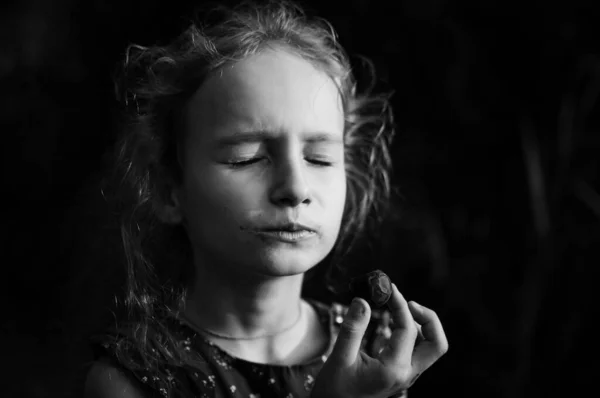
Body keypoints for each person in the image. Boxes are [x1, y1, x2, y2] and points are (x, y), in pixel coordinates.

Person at [83, 1, 448, 397]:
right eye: (249, 158)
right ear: (168, 189)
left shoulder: (380, 353)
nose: (295, 188)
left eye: (319, 158)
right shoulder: (133, 380)